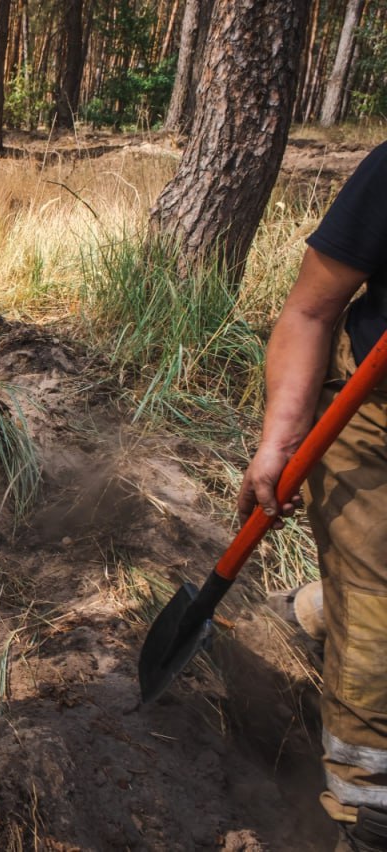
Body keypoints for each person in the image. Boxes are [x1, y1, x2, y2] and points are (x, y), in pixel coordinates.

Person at [237, 140, 387, 852]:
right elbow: (310, 312)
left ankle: (316, 611)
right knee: (380, 632)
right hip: (376, 421)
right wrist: (280, 439)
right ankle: (366, 816)